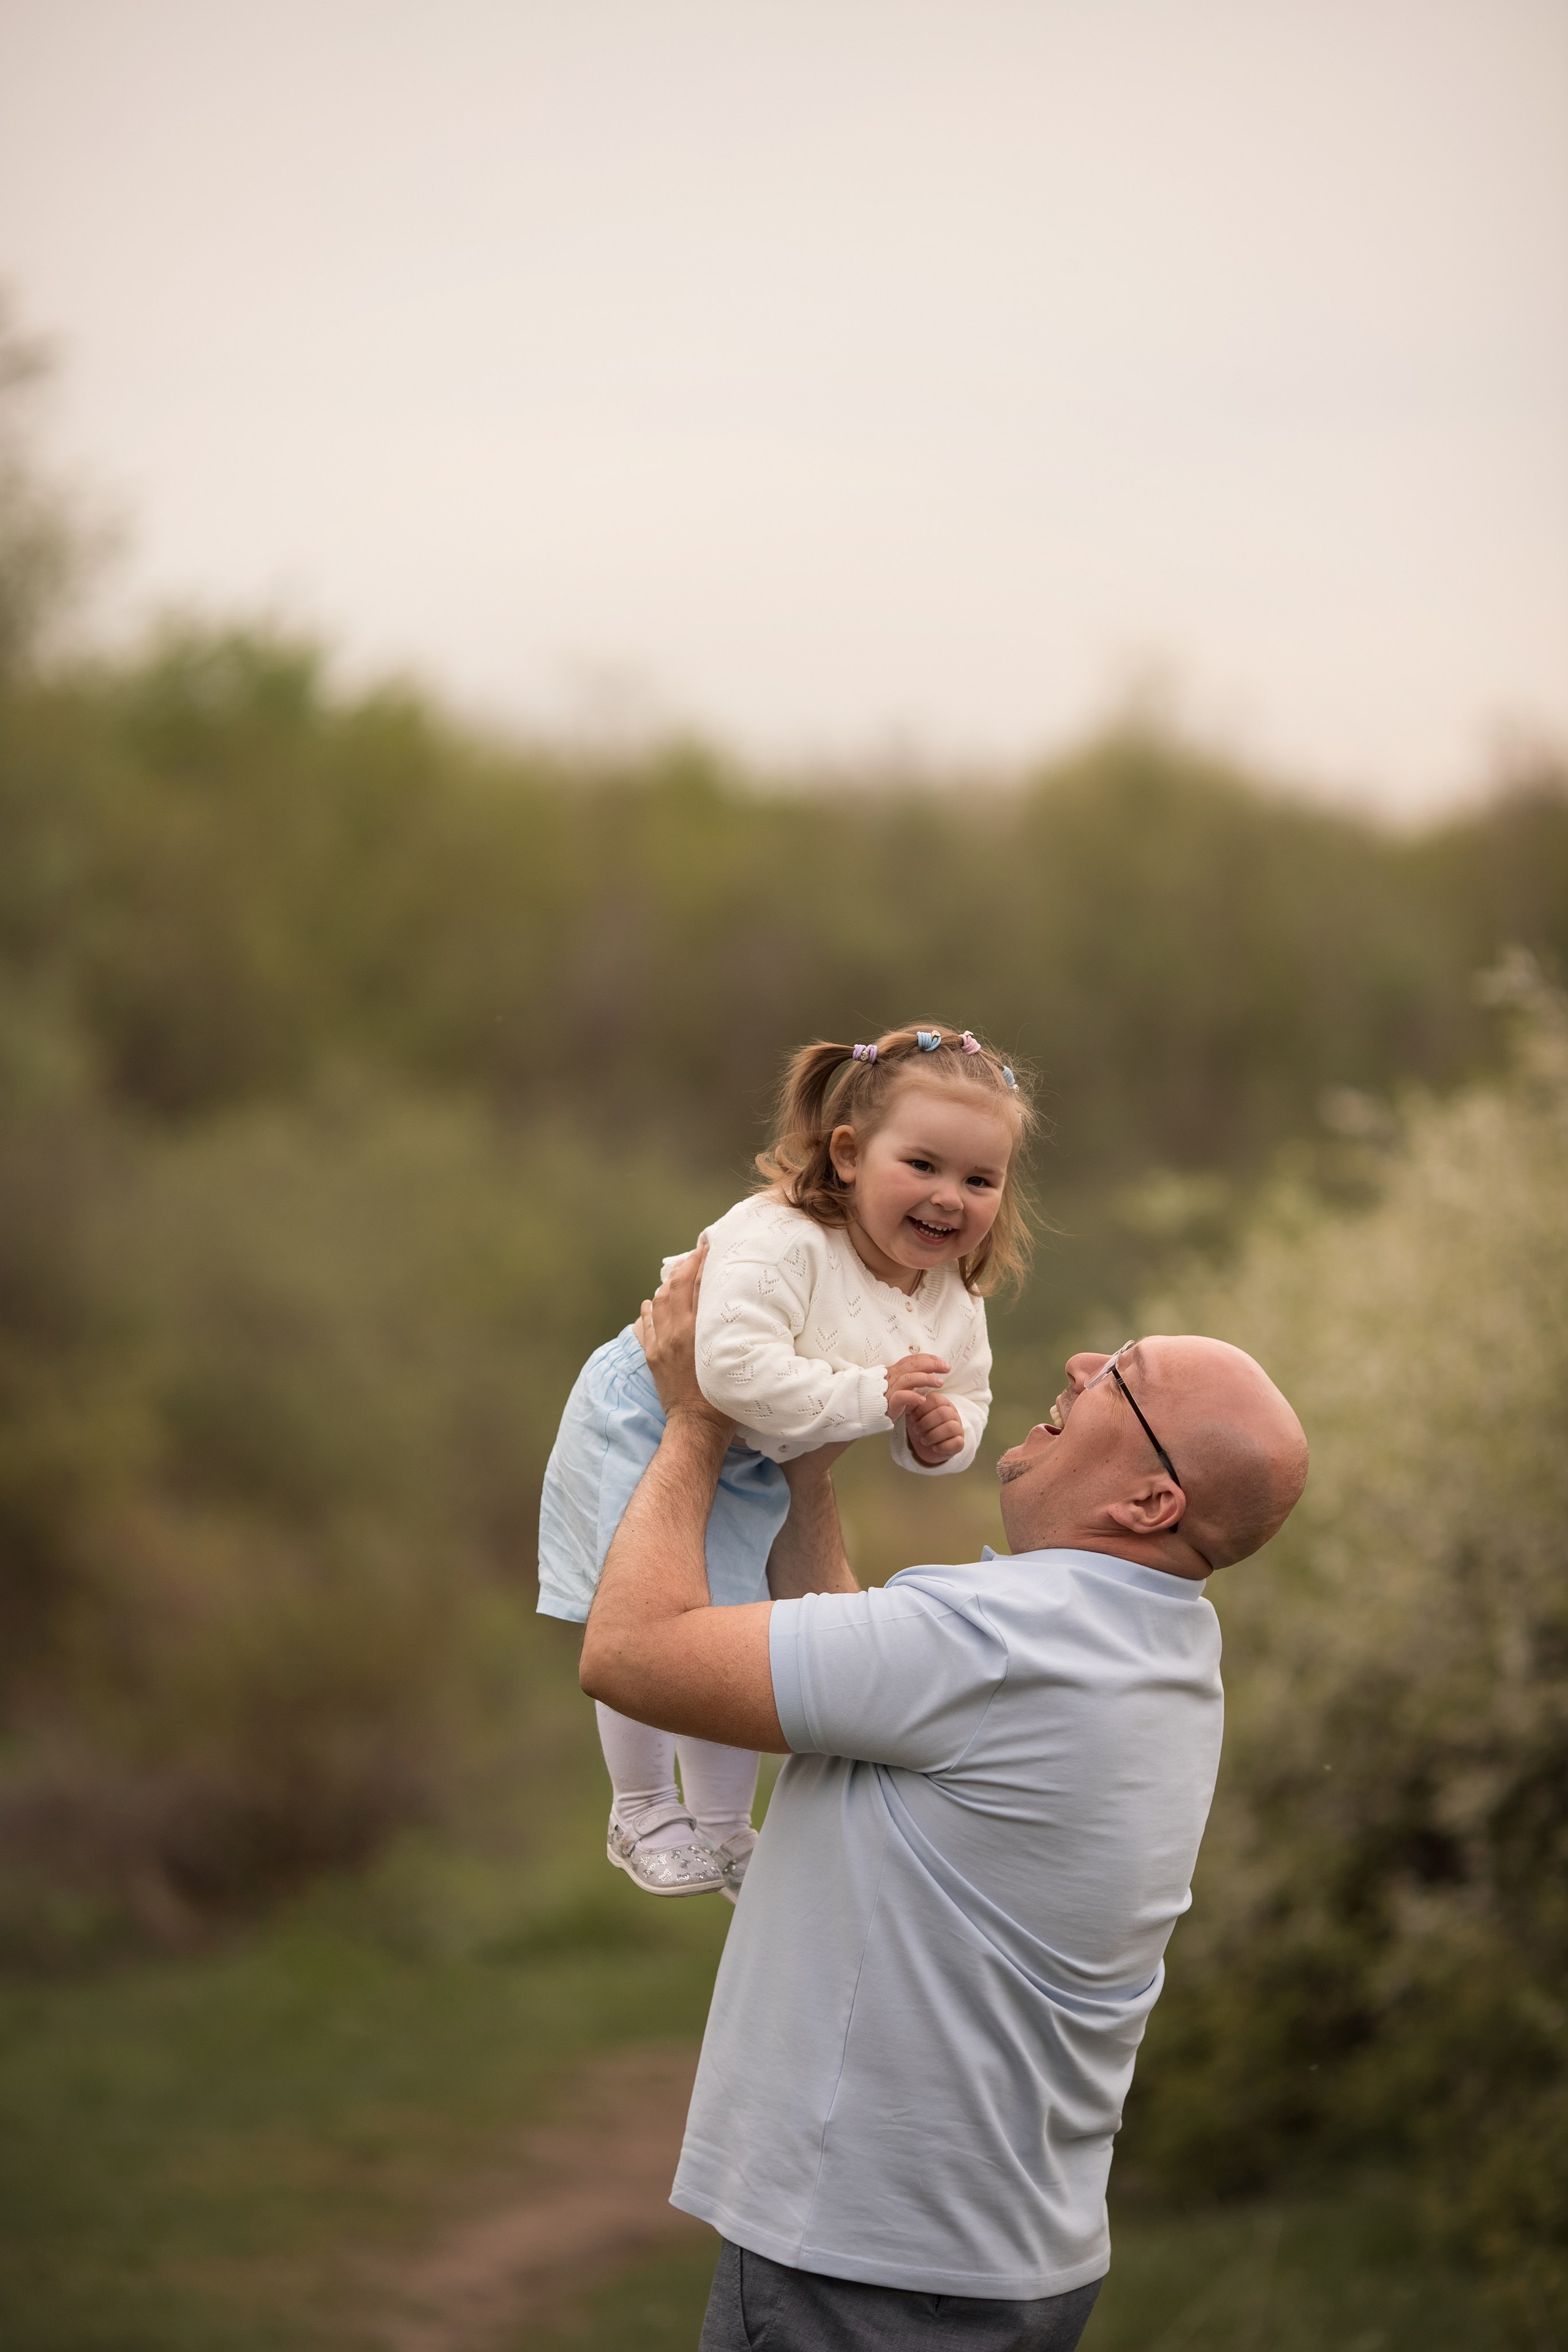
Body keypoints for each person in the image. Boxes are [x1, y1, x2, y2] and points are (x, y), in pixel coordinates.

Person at [579, 1251, 1309, 2352]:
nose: (1080, 1362)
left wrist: (694, 1419)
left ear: (1151, 1498)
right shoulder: (1147, 1638)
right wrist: (813, 1475)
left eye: (1124, 1376)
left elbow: (632, 1655)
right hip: (1000, 2258)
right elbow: (870, 1677)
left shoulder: (1004, 1642)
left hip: (861, 2266)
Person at [538, 1023, 1033, 1902]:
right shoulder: (783, 1238)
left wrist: (934, 1438)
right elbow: (724, 1371)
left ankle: (726, 1829)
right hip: (649, 1414)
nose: (949, 1198)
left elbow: (966, 1393)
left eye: (979, 1180)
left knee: (733, 1627)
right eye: (922, 1166)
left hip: (761, 1447)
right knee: (643, 1613)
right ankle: (643, 1807)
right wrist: (873, 1397)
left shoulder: (954, 1291)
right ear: (848, 1153)